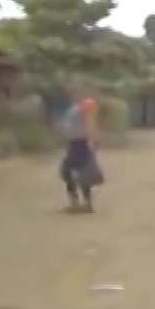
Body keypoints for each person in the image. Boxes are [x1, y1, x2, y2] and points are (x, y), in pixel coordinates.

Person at [56, 80, 104, 213]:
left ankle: (78, 203)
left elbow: (90, 123)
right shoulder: (76, 106)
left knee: (70, 171)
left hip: (81, 142)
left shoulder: (86, 104)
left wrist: (91, 142)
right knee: (78, 173)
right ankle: (82, 203)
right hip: (75, 142)